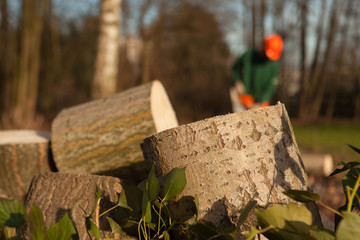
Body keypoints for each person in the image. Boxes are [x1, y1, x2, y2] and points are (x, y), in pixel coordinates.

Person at [230, 34, 284, 112]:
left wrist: (261, 102)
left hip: (261, 102)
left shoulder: (274, 65)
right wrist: (237, 81)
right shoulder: (248, 56)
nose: (266, 58)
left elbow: (270, 87)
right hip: (244, 97)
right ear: (263, 46)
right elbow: (235, 69)